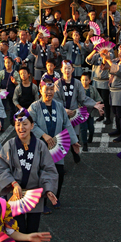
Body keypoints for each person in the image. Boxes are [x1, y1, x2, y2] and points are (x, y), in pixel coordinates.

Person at [0, 109, 59, 242]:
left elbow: (48, 169)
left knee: (31, 229)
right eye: (18, 125)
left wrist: (49, 189)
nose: (21, 128)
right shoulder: (9, 145)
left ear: (32, 125)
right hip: (15, 195)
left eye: (25, 124)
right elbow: (1, 168)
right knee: (18, 229)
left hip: (34, 196)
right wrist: (13, 183)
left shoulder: (39, 146)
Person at [29, 75, 79, 210]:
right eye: (46, 90)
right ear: (41, 90)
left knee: (59, 173)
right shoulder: (34, 106)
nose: (49, 93)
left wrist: (74, 141)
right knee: (42, 173)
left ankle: (56, 197)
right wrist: (43, 135)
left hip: (57, 145)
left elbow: (66, 124)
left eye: (51, 90)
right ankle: (42, 203)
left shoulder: (59, 106)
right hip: (41, 146)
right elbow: (30, 124)